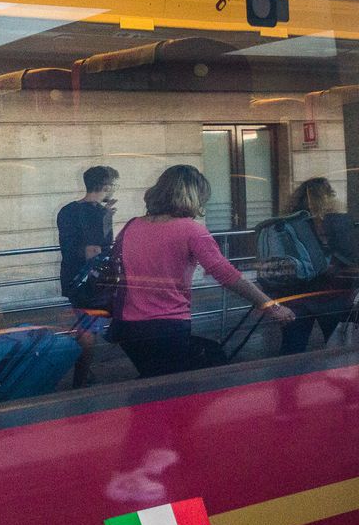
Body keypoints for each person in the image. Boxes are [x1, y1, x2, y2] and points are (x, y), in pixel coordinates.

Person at [109, 165, 295, 377]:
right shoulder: (191, 229)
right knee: (179, 388)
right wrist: (271, 305)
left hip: (126, 327)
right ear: (194, 195)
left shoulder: (132, 225)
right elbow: (226, 273)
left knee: (153, 383)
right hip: (166, 325)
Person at [278, 177, 358, 355]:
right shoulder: (337, 219)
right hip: (332, 293)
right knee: (338, 347)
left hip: (295, 295)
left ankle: (287, 382)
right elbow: (351, 254)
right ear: (328, 196)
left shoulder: (288, 223)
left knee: (292, 348)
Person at [57, 165, 119, 387]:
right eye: (114, 184)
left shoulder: (67, 210)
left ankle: (83, 374)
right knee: (88, 329)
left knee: (87, 324)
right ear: (106, 185)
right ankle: (80, 379)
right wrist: (106, 218)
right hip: (92, 279)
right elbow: (99, 248)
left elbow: (69, 244)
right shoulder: (100, 213)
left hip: (72, 276)